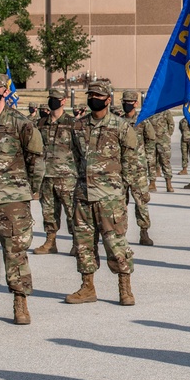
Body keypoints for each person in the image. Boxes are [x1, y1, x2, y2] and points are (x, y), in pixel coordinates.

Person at [66, 80, 142, 305]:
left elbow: (131, 164)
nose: (93, 99)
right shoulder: (78, 127)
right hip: (83, 195)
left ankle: (125, 288)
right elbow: (77, 159)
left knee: (115, 243)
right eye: (91, 95)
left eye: (98, 96)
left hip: (110, 198)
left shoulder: (121, 127)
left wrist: (134, 194)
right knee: (83, 243)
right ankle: (87, 287)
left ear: (108, 99)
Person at [0, 73, 44, 324]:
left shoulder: (21, 123)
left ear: (5, 92)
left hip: (12, 201)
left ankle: (20, 301)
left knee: (15, 254)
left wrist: (30, 191)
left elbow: (36, 160)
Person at [34, 89, 77, 256]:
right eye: (51, 98)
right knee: (48, 211)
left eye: (57, 99)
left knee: (72, 212)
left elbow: (80, 151)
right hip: (46, 175)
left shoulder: (73, 123)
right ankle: (50, 242)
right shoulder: (40, 123)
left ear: (64, 101)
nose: (53, 101)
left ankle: (76, 243)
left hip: (67, 176)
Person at [121, 91, 155, 246]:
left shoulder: (143, 121)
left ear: (135, 103)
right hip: (121, 169)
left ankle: (144, 232)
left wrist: (148, 161)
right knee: (119, 203)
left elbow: (150, 141)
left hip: (138, 169)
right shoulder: (118, 122)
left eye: (129, 101)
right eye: (124, 101)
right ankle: (120, 233)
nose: (126, 104)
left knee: (141, 202)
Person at [147, 103, 175, 193]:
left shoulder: (166, 111)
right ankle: (152, 183)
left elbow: (171, 124)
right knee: (150, 162)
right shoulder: (148, 111)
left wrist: (166, 136)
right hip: (150, 141)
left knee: (165, 161)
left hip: (163, 141)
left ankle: (168, 183)